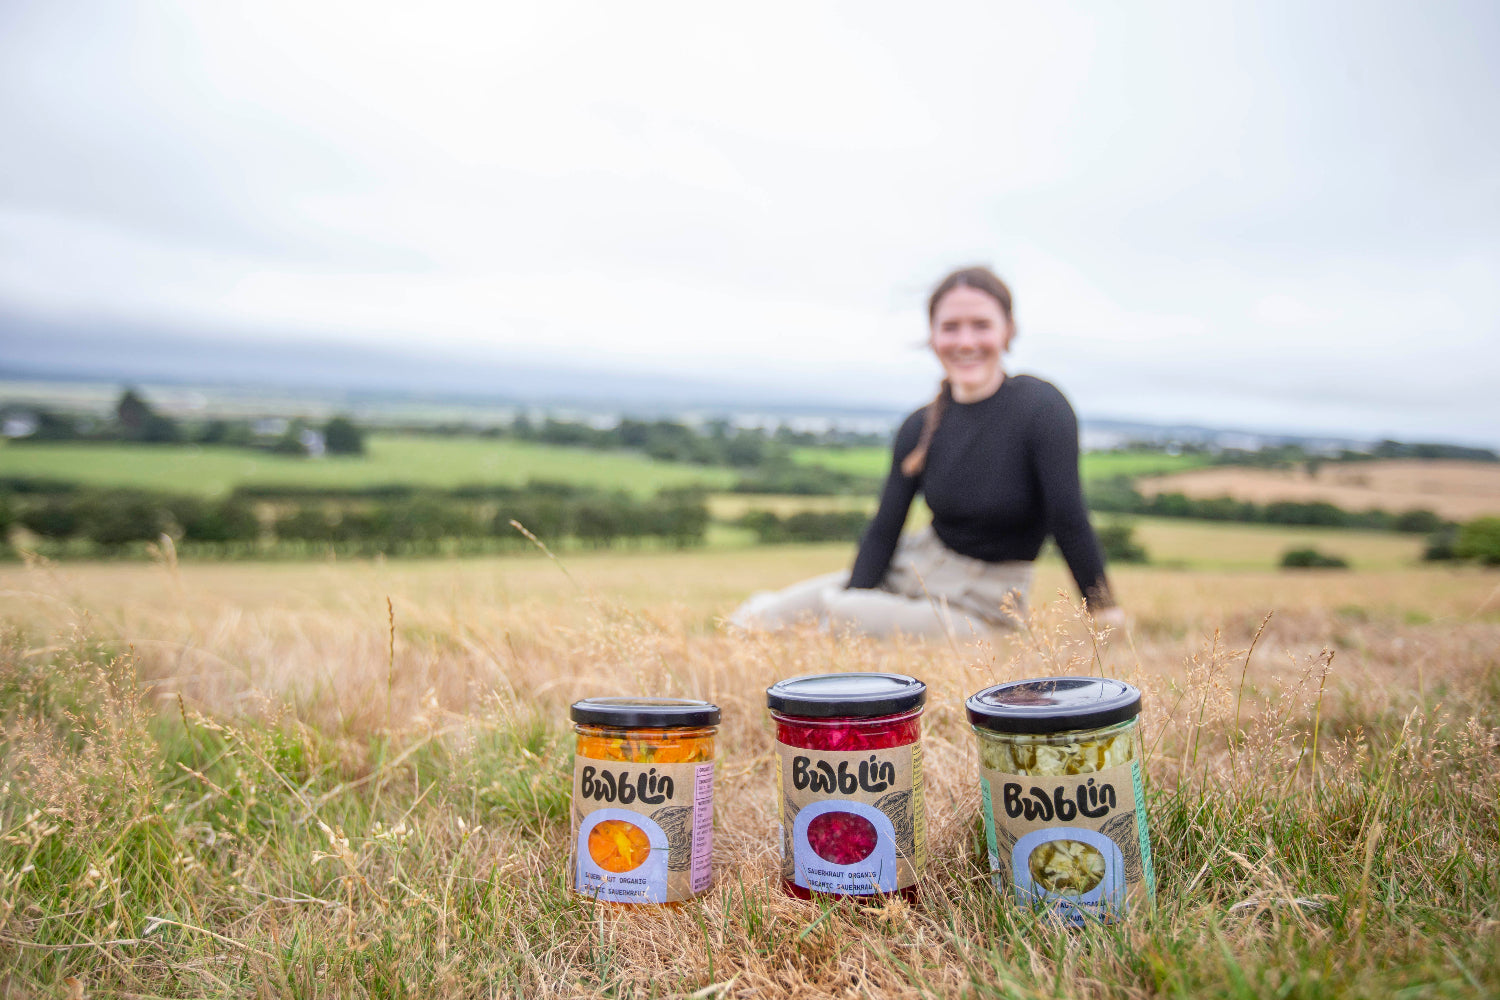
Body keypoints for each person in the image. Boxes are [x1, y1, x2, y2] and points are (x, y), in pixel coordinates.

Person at [729, 266, 1122, 639]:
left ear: (1008, 330)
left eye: (981, 325)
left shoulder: (1040, 407)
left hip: (981, 606)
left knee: (843, 613)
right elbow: (885, 529)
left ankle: (833, 622)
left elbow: (1068, 519)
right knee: (759, 621)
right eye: (950, 327)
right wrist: (857, 593)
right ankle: (784, 617)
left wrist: (1106, 614)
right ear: (933, 335)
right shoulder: (920, 425)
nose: (965, 342)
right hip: (911, 568)